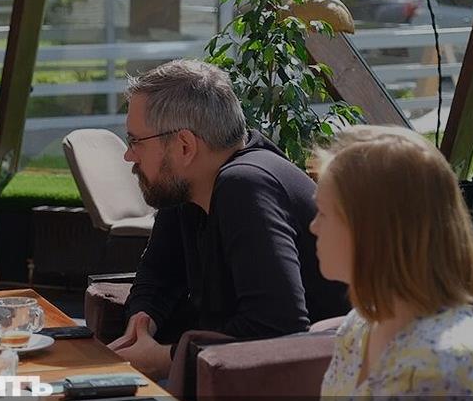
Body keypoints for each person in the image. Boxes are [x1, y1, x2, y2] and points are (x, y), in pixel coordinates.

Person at [107, 59, 349, 379]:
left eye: (135, 140)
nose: (128, 155)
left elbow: (278, 328)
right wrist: (142, 319)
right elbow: (158, 274)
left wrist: (165, 359)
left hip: (315, 388)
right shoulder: (189, 185)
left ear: (184, 146)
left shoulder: (246, 184)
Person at [309, 125, 473, 401]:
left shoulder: (436, 366)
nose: (312, 226)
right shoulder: (362, 323)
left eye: (323, 213)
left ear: (372, 232)